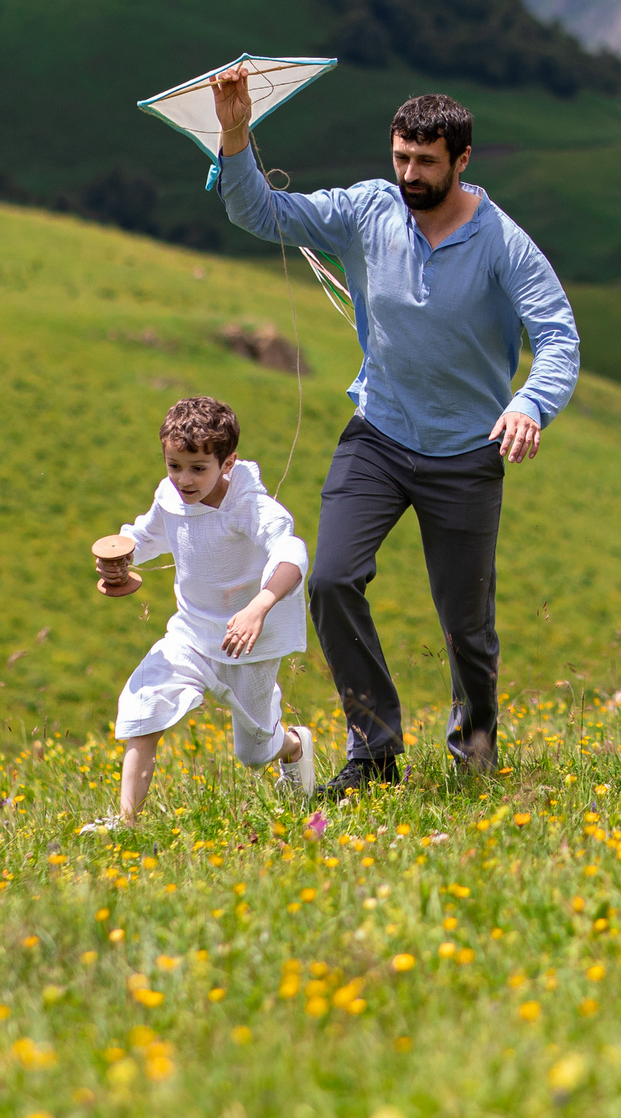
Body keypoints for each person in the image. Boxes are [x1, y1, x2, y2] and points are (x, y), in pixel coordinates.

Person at [213, 77, 579, 796]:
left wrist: (531, 403)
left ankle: (474, 748)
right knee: (329, 580)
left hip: (468, 453)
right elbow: (263, 212)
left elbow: (558, 334)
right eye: (401, 157)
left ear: (462, 159)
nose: (410, 174)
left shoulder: (502, 241)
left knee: (465, 627)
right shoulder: (366, 210)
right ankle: (374, 749)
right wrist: (234, 138)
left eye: (427, 162)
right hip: (378, 435)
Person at [81, 396, 315, 833]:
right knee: (144, 704)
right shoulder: (169, 495)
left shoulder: (250, 507)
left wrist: (259, 607)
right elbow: (148, 535)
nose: (183, 480)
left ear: (228, 463)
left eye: (197, 468)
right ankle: (125, 824)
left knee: (255, 751)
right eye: (173, 465)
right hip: (190, 633)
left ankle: (294, 745)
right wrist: (120, 555)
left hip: (250, 640)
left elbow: (292, 554)